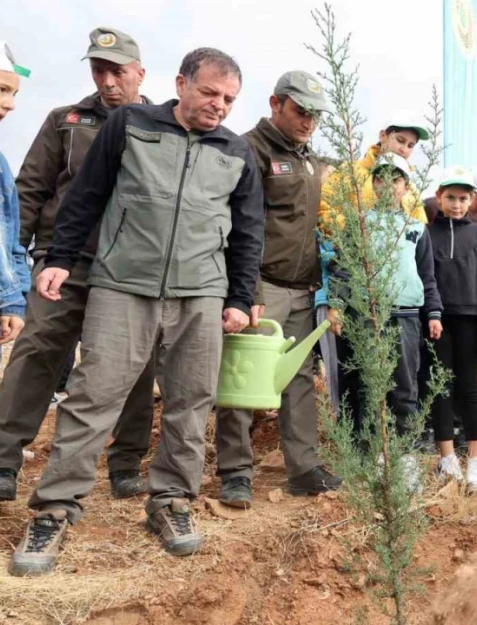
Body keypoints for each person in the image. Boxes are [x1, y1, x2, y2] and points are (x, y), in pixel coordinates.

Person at [9, 47, 265, 576]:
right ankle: (55, 509)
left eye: (229, 99)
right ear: (181, 83)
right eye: (210, 93)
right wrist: (59, 259)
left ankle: (171, 502)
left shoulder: (237, 153)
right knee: (92, 395)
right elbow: (87, 195)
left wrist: (240, 298)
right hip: (122, 284)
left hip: (201, 293)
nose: (219, 106)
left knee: (191, 402)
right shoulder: (130, 124)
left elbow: (248, 233)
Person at [0, 27, 156, 502]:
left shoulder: (163, 128)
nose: (108, 81)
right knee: (36, 352)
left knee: (136, 367)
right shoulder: (66, 121)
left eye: (117, 70)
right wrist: (8, 271)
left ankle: (125, 463)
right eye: (99, 70)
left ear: (140, 72)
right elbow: (29, 192)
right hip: (63, 265)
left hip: (131, 271)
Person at [214, 70, 342, 508]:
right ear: (275, 103)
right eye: (300, 112)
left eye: (315, 116)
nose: (308, 122)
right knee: (243, 380)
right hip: (262, 284)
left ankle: (304, 468)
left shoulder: (311, 160)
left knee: (299, 380)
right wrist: (246, 290)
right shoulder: (249, 149)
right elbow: (238, 226)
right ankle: (235, 472)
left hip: (304, 288)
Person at [324, 155, 442, 466]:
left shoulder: (417, 228)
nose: (389, 186)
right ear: (374, 183)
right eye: (382, 178)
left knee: (404, 385)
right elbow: (344, 269)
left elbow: (427, 276)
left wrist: (433, 313)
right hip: (368, 315)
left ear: (406, 187)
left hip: (406, 315)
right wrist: (336, 304)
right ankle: (372, 454)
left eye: (397, 180)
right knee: (369, 386)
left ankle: (403, 455)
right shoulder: (359, 222)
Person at [427, 168, 477, 491]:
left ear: (472, 200)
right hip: (437, 321)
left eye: (463, 198)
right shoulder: (426, 233)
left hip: (469, 319)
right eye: (451, 197)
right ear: (439, 196)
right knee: (439, 387)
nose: (456, 205)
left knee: (469, 388)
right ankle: (447, 458)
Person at [0, 37, 30, 376]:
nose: (10, 104)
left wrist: (12, 302)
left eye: (14, 94)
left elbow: (10, 244)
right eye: (1, 89)